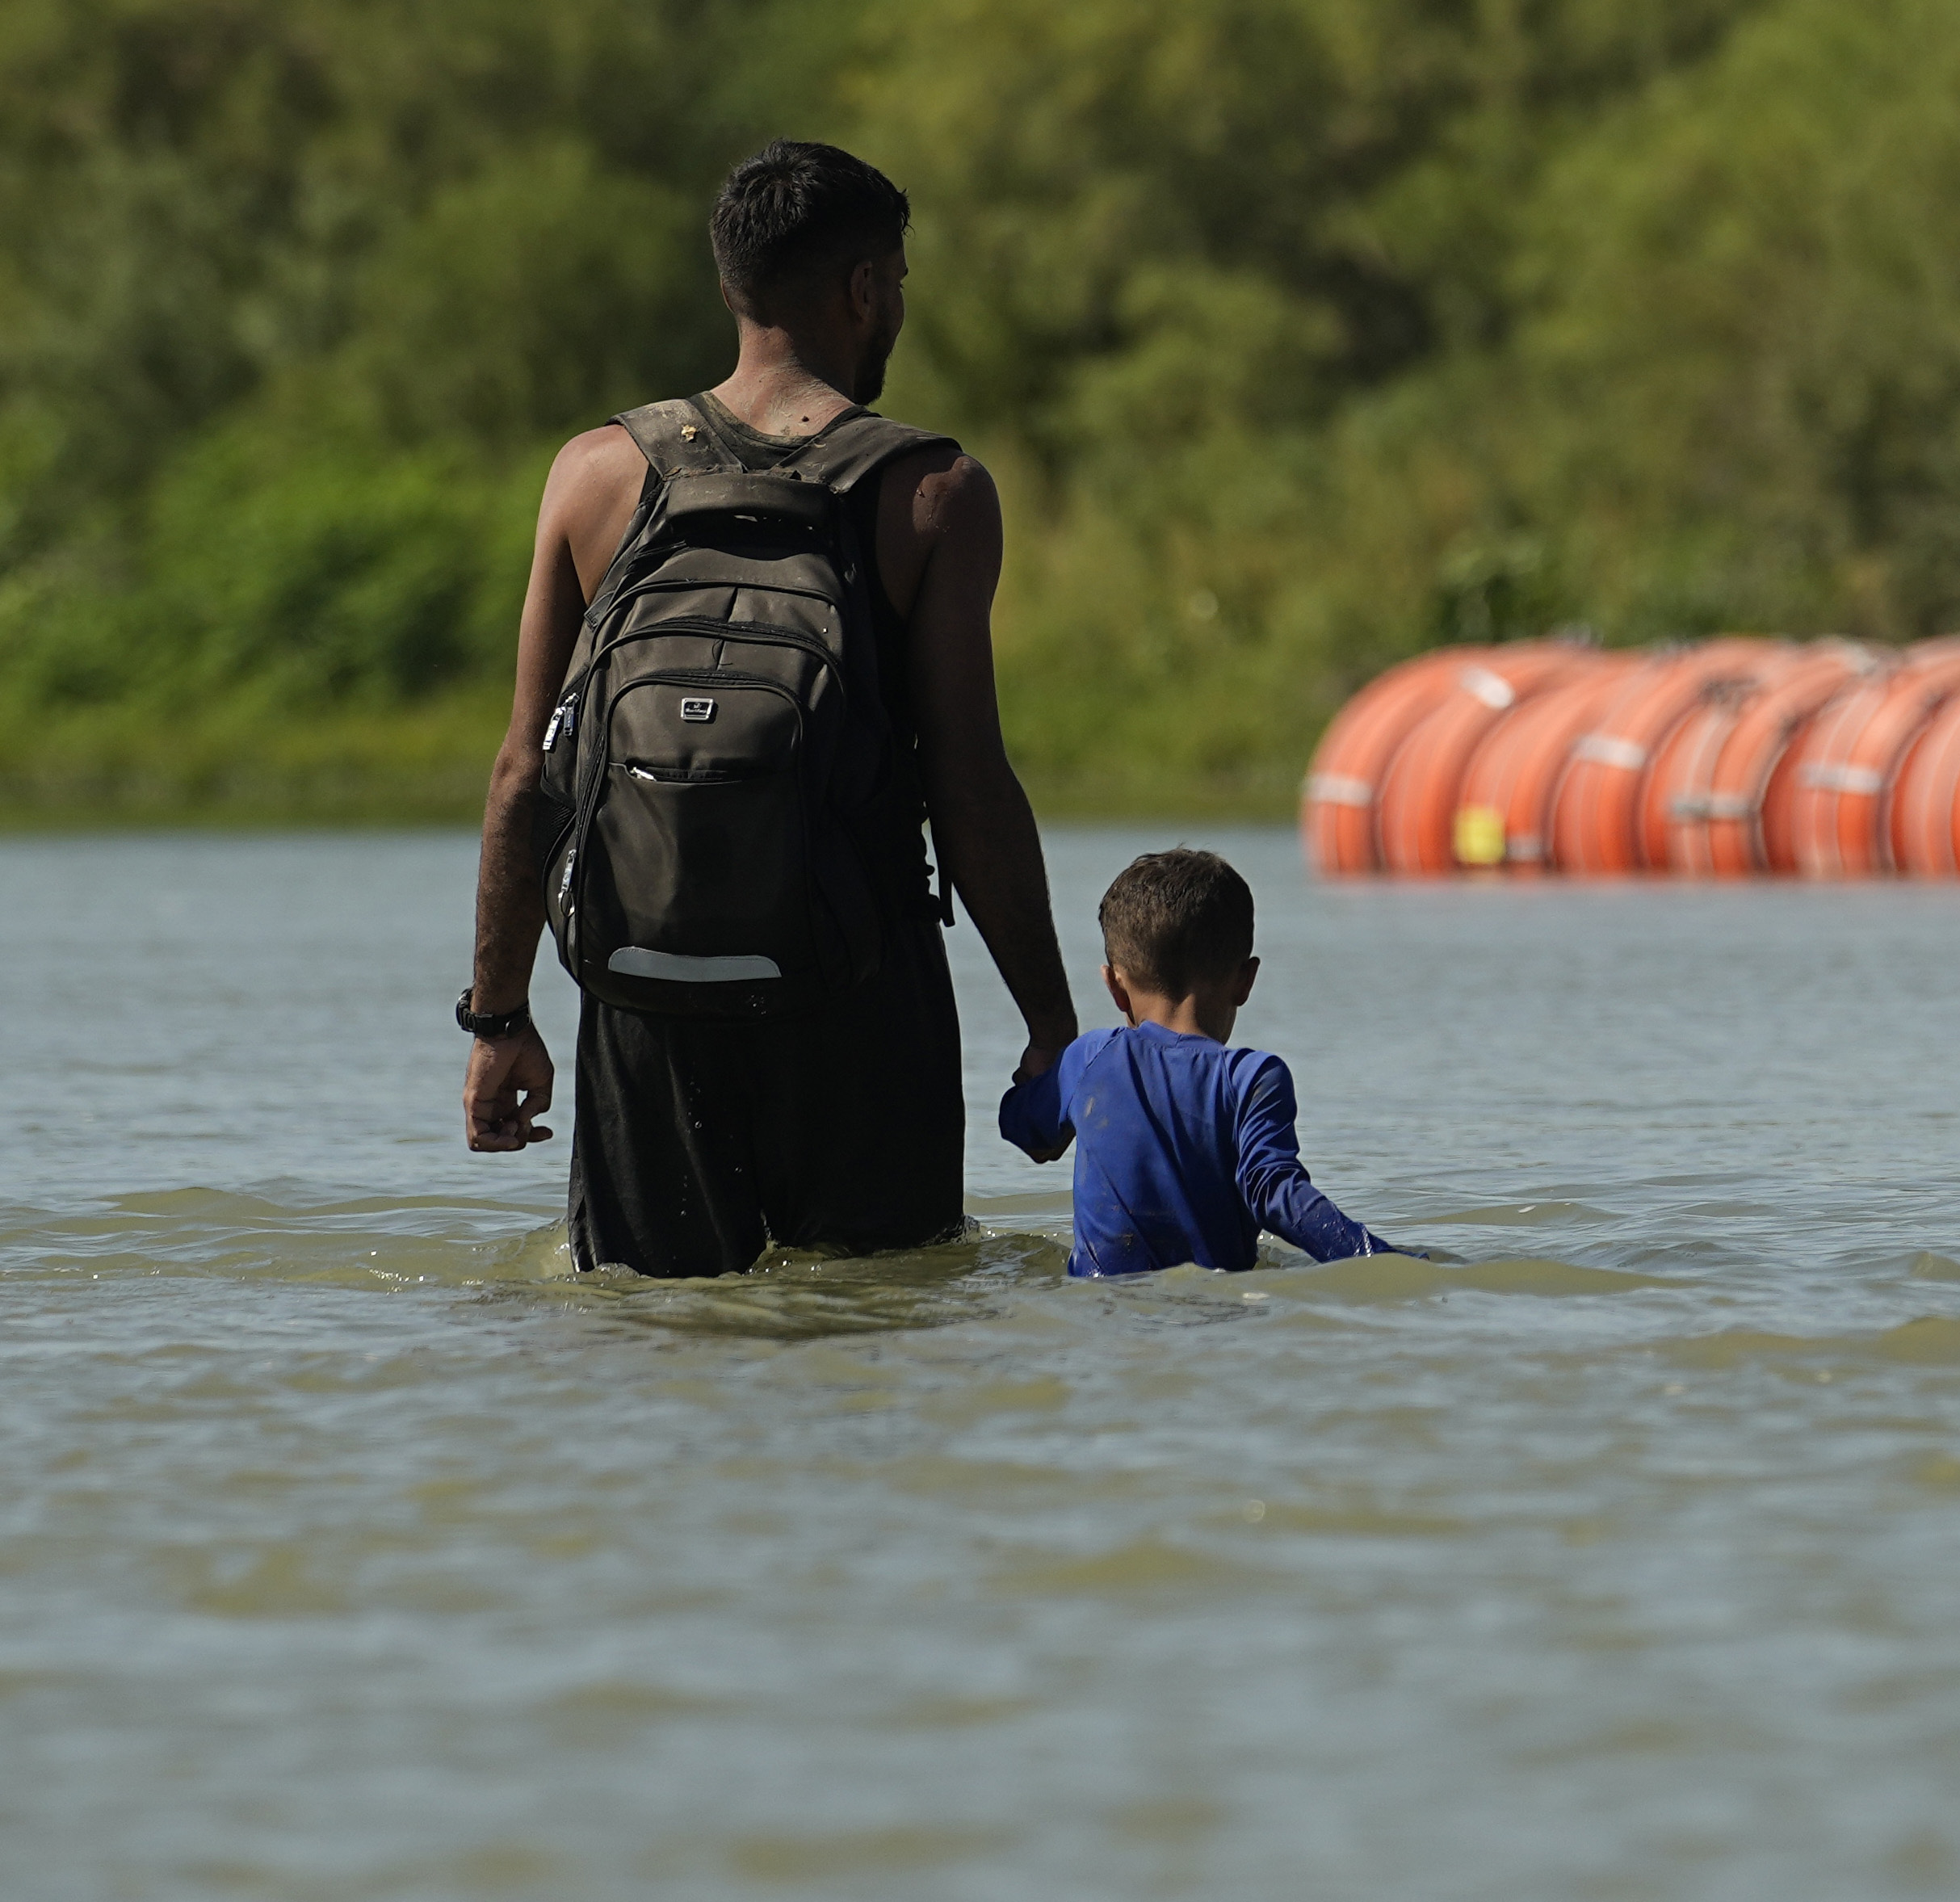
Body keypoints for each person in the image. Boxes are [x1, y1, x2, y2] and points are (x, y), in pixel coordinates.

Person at [458, 140, 1081, 1276]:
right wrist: (1051, 1025)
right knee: (878, 1310)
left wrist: (498, 1019)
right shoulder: (932, 491)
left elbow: (523, 773)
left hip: (644, 995)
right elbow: (968, 784)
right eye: (895, 281)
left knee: (654, 1328)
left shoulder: (594, 472)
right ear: (864, 287)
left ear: (730, 283)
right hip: (857, 993)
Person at [998, 850, 1396, 1277]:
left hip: (1106, 1314)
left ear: (1115, 986)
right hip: (1218, 1315)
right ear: (1246, 980)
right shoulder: (1252, 1078)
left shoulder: (1088, 1058)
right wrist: (1384, 1262)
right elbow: (1273, 1192)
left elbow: (1024, 1131)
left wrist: (1034, 1077)